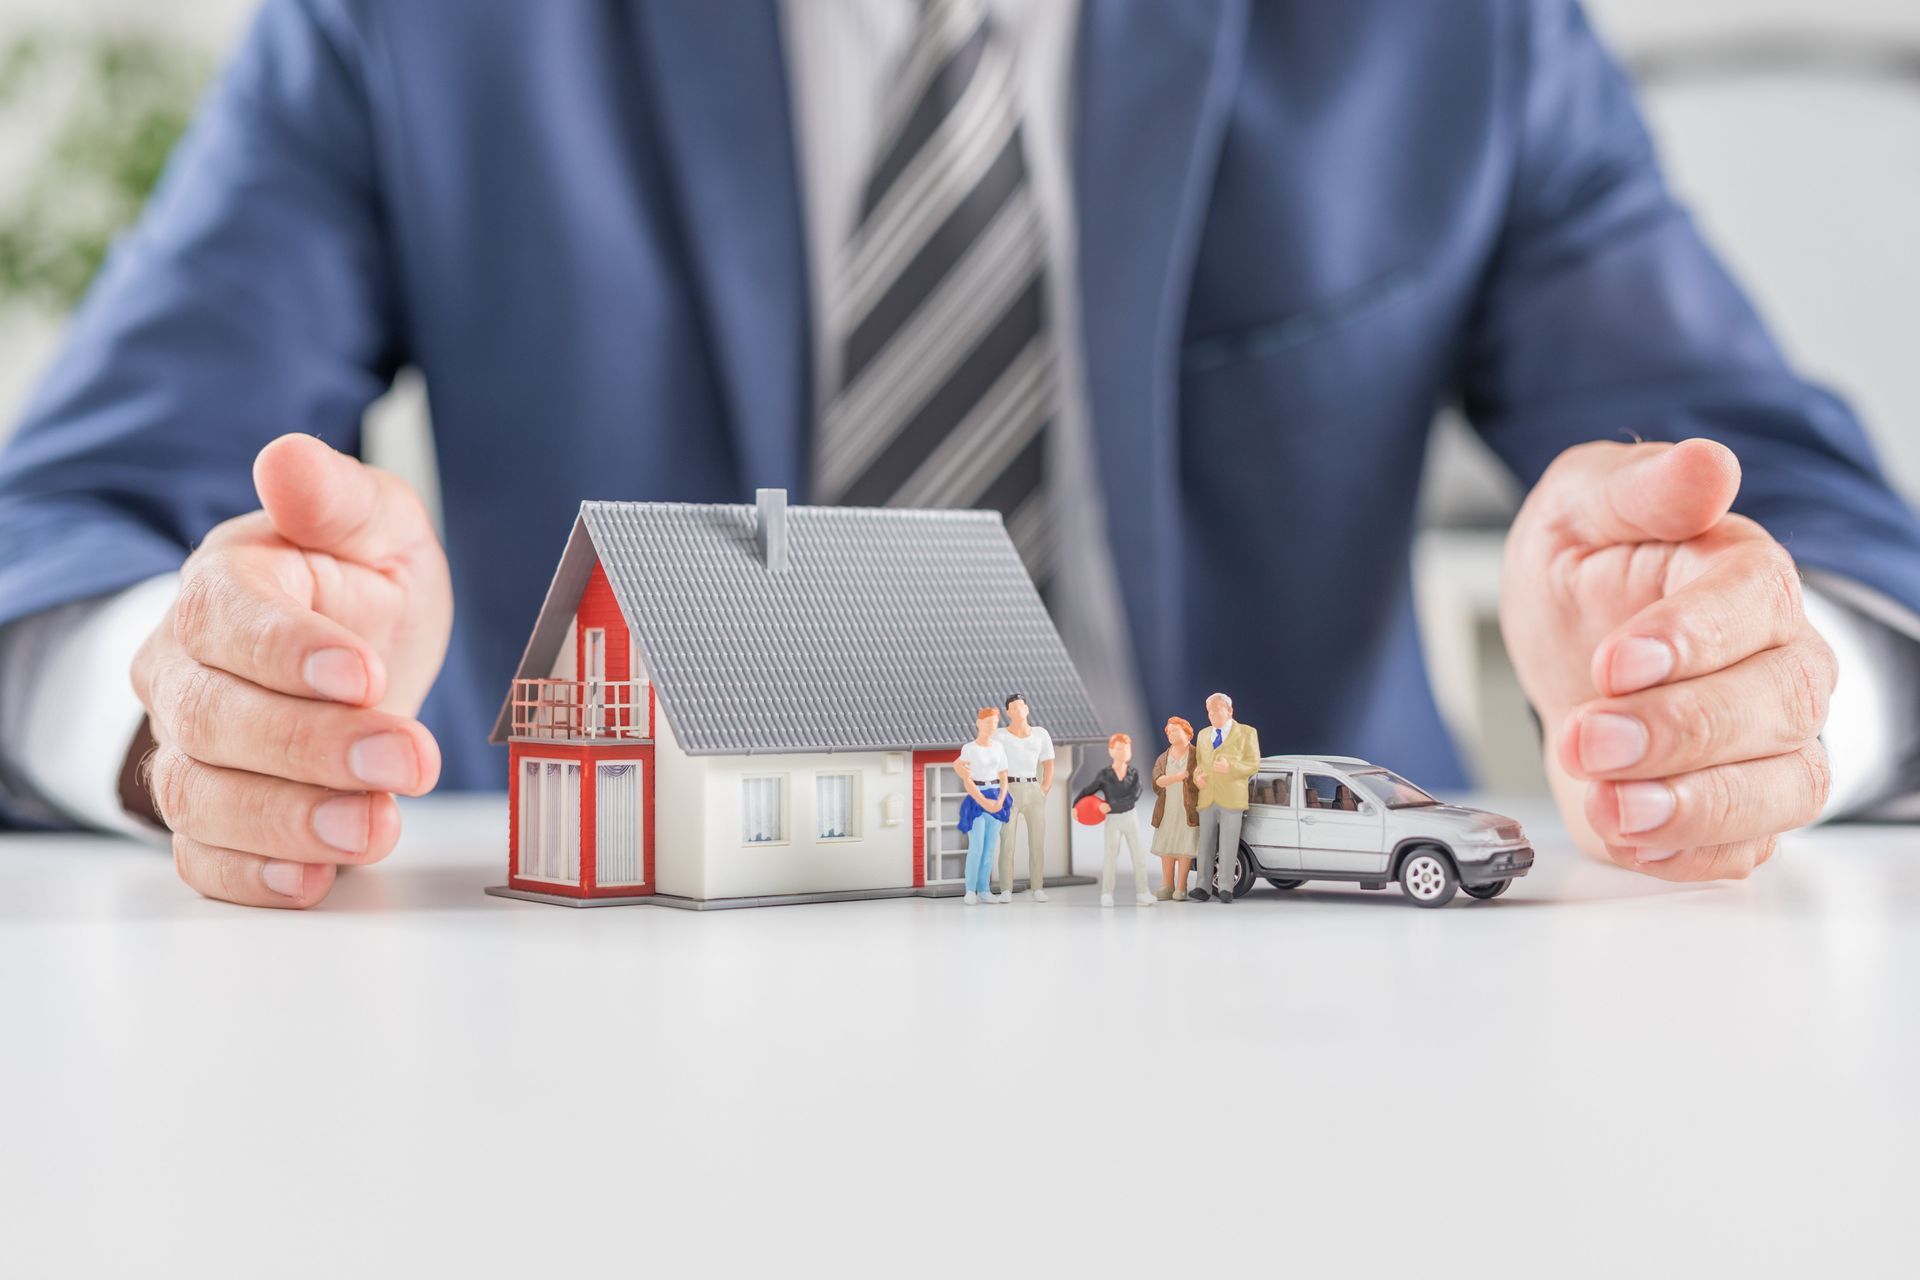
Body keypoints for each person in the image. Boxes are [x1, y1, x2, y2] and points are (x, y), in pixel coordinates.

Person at [0, 1, 1913, 910]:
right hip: (602, 1033)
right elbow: (63, 541)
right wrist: (202, 696)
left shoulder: (1456, 32)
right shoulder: (413, 31)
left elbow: (1824, 541)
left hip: (1307, 1059)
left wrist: (1727, 661)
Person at [1191, 694, 1259, 904]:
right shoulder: (1203, 735)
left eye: (1217, 710)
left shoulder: (1247, 733)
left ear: (1230, 711)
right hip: (1207, 798)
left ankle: (1226, 887)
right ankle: (1202, 885)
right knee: (1205, 844)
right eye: (1209, 711)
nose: (1212, 715)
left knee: (1229, 844)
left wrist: (1230, 768)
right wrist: (1197, 778)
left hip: (1231, 798)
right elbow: (1199, 763)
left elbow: (1253, 764)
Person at [1073, 732, 1153, 907]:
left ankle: (1143, 892)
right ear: (1111, 751)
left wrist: (1111, 805)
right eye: (1119, 749)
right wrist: (1075, 805)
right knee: (1110, 857)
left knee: (1139, 856)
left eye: (1126, 749)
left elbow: (1135, 795)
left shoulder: (1134, 773)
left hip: (1130, 817)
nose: (1123, 752)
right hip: (1113, 821)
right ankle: (1106, 893)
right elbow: (1088, 790)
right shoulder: (1105, 774)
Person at [992, 693, 1054, 903]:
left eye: (1021, 706)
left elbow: (1049, 763)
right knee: (1007, 841)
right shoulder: (999, 736)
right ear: (1007, 712)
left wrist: (1044, 788)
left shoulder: (1040, 734)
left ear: (1027, 709)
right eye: (1014, 707)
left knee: (1037, 841)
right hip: (1009, 788)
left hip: (1033, 787)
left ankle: (1037, 887)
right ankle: (1006, 889)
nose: (1018, 710)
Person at [953, 706, 1011, 906]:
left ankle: (984, 889)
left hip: (996, 797)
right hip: (978, 799)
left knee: (989, 848)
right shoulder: (969, 748)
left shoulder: (999, 747)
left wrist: (1000, 800)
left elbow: (1004, 776)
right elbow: (967, 780)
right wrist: (983, 801)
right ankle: (970, 889)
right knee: (976, 847)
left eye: (994, 724)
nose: (991, 727)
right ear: (979, 724)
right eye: (987, 723)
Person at [1150, 717, 1201, 901]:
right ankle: (1167, 884)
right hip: (1167, 809)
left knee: (1184, 849)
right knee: (1167, 848)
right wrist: (1178, 776)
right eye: (1169, 731)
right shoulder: (1163, 758)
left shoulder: (1197, 755)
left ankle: (1181, 886)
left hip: (1188, 811)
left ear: (1187, 733)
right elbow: (1157, 781)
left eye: (1175, 731)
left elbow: (1202, 779)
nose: (1171, 734)